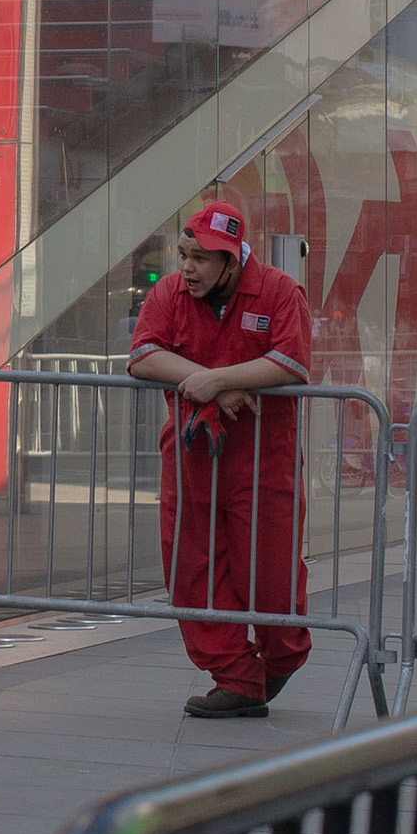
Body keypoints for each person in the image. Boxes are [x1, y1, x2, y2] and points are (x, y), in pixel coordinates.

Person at [128, 202, 316, 719]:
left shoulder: (279, 290)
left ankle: (277, 661)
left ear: (233, 260)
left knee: (270, 572)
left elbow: (292, 361)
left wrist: (219, 380)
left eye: (202, 259)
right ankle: (235, 678)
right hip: (193, 457)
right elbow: (143, 353)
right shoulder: (170, 293)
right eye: (184, 255)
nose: (188, 268)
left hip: (263, 459)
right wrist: (212, 385)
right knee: (192, 571)